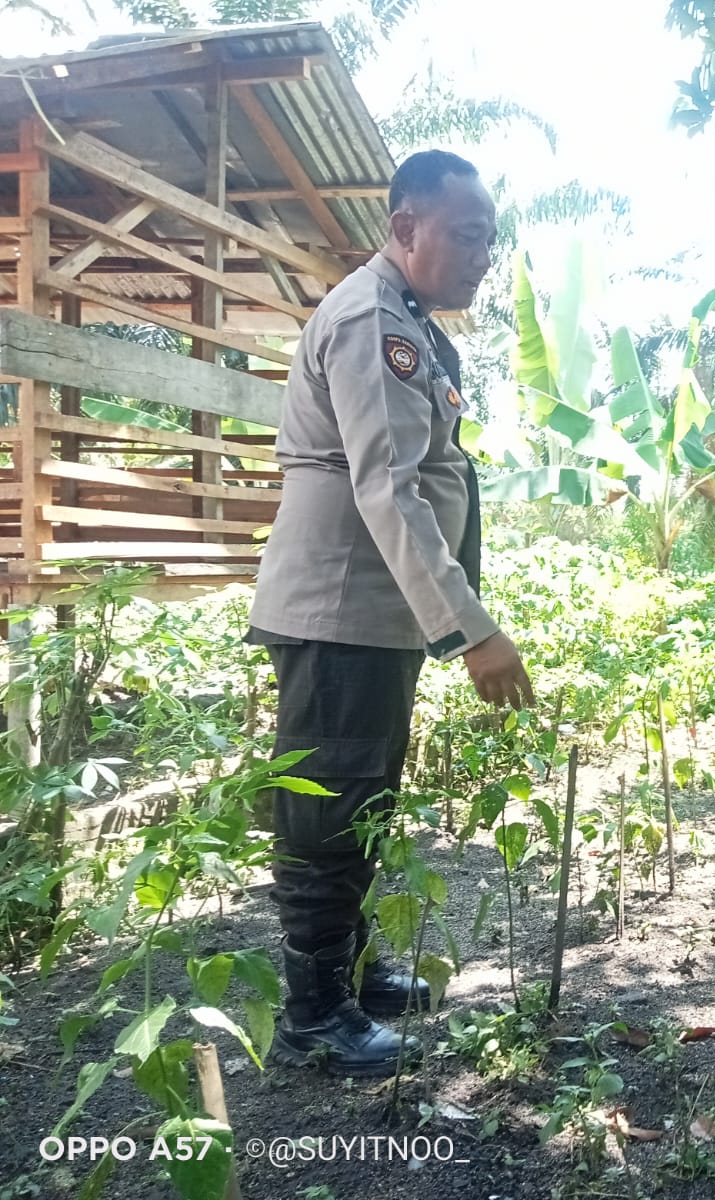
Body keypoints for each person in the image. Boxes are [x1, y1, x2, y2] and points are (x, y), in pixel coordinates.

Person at [248, 150, 534, 1075]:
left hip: (372, 613)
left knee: (361, 796)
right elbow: (388, 488)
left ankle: (351, 974)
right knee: (328, 808)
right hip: (340, 605)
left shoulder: (404, 315)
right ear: (406, 228)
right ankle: (311, 1015)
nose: (482, 255)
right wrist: (473, 628)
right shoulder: (374, 316)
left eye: (491, 238)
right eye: (466, 234)